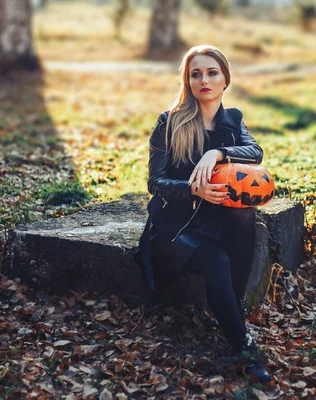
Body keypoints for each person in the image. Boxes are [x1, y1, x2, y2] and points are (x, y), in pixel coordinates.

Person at [134, 44, 271, 383]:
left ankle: (231, 310)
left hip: (215, 220)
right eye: (196, 74)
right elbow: (155, 182)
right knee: (217, 262)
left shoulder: (233, 120)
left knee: (245, 214)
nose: (204, 80)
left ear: (225, 79)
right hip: (177, 228)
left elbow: (255, 152)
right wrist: (192, 189)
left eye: (212, 73)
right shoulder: (169, 122)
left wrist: (218, 152)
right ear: (187, 80)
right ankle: (244, 345)